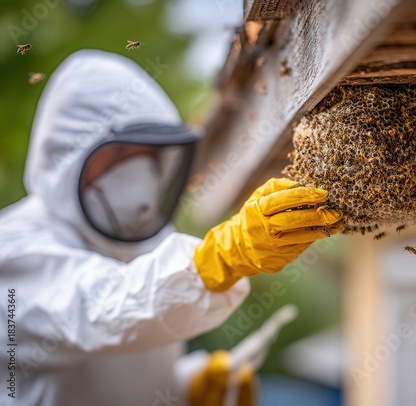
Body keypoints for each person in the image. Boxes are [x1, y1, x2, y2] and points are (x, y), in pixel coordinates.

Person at [0, 50, 342, 405]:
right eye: (122, 154)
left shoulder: (149, 248)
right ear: (68, 155)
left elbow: (126, 372)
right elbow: (102, 310)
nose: (143, 174)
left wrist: (187, 387)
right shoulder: (14, 249)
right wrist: (221, 258)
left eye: (152, 156)